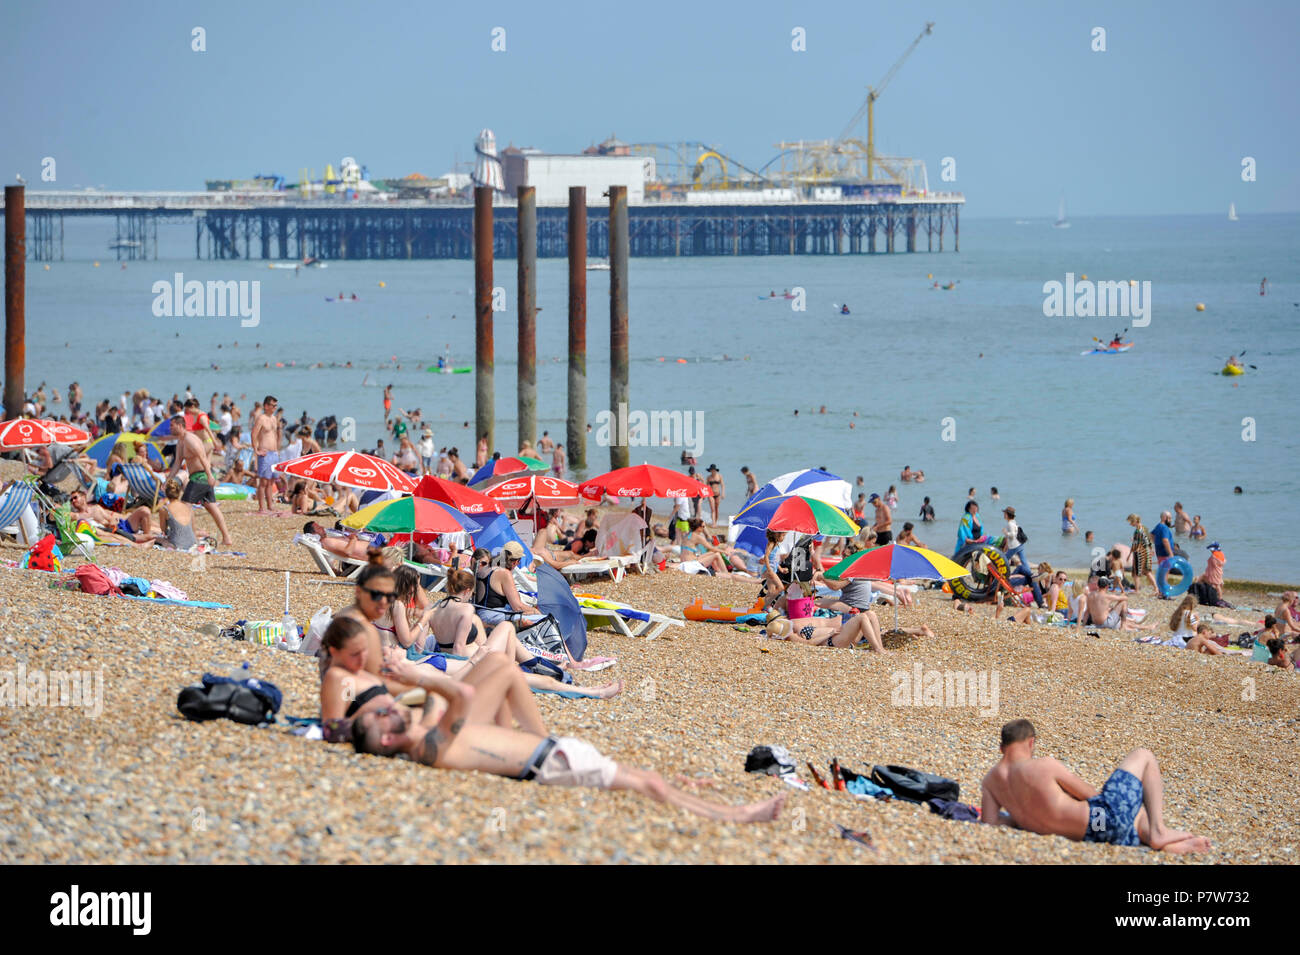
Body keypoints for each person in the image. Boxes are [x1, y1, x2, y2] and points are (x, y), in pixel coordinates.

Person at [350, 687, 786, 823]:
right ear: (387, 742)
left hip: (553, 754)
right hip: (552, 763)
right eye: (384, 717)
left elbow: (434, 702)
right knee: (648, 784)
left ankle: (693, 793)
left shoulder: (426, 742)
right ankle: (738, 816)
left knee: (645, 774)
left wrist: (413, 683)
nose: (390, 708)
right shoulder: (430, 746)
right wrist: (412, 672)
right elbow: (459, 694)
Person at [980, 719, 1209, 852]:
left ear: (1002, 748)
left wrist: (1022, 818)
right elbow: (1089, 794)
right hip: (1098, 821)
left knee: (1133, 816)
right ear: (1031, 743)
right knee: (1144, 755)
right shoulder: (1044, 765)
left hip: (1091, 836)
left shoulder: (990, 782)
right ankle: (1158, 832)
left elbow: (990, 822)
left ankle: (1162, 844)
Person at [165, 413, 233, 546]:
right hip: (199, 477)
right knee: (211, 507)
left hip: (200, 477)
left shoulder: (190, 439)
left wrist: (210, 475)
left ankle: (192, 537)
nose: (170, 428)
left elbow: (202, 457)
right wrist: (168, 479)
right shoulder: (181, 441)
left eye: (172, 426)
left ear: (180, 425)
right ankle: (226, 538)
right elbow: (178, 463)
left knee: (185, 506)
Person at [252, 394, 282, 515]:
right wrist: (256, 450)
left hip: (274, 453)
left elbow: (274, 435)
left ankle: (270, 505)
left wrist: (277, 450)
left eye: (276, 405)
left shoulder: (274, 419)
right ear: (266, 406)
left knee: (271, 481)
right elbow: (254, 434)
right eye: (273, 405)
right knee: (263, 482)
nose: (275, 407)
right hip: (264, 453)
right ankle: (261, 507)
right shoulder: (261, 418)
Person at [156, 478, 198, 550]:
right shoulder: (189, 508)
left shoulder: (164, 509)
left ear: (166, 493)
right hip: (193, 542)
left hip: (177, 544)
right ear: (179, 493)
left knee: (156, 538)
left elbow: (163, 530)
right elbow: (193, 530)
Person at [1127, 514, 1158, 594]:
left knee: (1136, 572)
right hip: (1146, 551)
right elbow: (1149, 540)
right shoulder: (1144, 528)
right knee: (1147, 571)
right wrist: (1151, 549)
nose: (1130, 524)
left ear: (1134, 521)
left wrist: (1130, 553)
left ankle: (1137, 590)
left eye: (1130, 522)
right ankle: (1156, 588)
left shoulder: (1138, 530)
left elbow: (1137, 544)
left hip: (1140, 552)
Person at [1150, 511, 1176, 594]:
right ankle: (1163, 593)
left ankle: (1162, 592)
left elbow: (1151, 535)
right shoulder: (1164, 527)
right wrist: (1170, 553)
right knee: (1165, 574)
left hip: (1160, 553)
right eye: (1170, 518)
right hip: (1165, 554)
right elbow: (1165, 540)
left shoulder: (1158, 526)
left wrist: (1157, 544)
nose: (1171, 520)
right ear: (1165, 518)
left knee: (1163, 572)